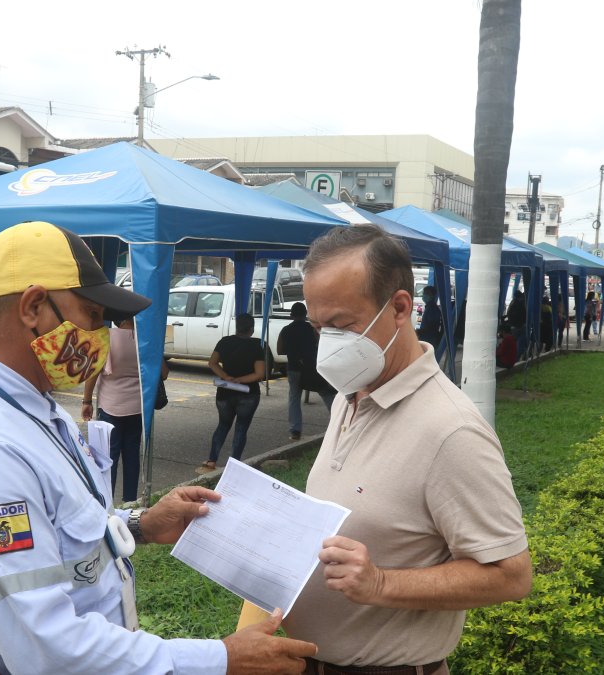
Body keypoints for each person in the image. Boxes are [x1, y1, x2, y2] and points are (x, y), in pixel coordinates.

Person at [0, 221, 315, 674]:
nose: (100, 334)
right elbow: (48, 651)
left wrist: (141, 526)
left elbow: (57, 527)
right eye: (93, 315)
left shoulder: (33, 408)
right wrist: (220, 660)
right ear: (34, 306)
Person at [284, 225, 531, 673]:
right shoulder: (350, 395)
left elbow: (511, 575)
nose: (328, 345)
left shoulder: (450, 431)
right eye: (319, 327)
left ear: (399, 308)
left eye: (341, 325)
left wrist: (380, 583)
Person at [81, 316, 166, 502]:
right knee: (132, 454)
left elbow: (93, 372)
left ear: (119, 319)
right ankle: (130, 500)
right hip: (137, 407)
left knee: (109, 456)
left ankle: (108, 501)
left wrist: (86, 401)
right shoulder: (147, 340)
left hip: (111, 405)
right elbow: (164, 372)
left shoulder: (107, 336)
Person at [199, 313, 265, 473]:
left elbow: (212, 363)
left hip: (225, 391)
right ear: (251, 329)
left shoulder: (225, 341)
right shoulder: (257, 345)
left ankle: (211, 462)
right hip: (249, 393)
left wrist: (226, 377)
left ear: (237, 327)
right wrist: (241, 380)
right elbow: (259, 374)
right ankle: (234, 465)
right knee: (241, 428)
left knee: (222, 425)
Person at [277, 302, 334, 441]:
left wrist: (292, 351)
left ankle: (295, 431)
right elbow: (321, 345)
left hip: (293, 368)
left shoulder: (286, 330)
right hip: (311, 367)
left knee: (294, 398)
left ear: (291, 315)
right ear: (305, 314)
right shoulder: (312, 329)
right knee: (325, 392)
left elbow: (280, 350)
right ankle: (337, 420)